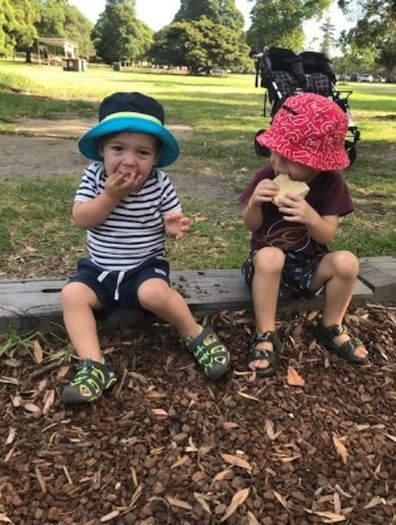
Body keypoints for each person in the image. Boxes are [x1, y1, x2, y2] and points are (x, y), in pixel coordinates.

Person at [61, 91, 230, 404]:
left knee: (153, 293)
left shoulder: (158, 182)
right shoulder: (94, 178)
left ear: (155, 157)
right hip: (100, 269)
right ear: (101, 151)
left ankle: (195, 334)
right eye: (118, 149)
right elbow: (82, 218)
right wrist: (110, 197)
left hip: (144, 266)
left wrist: (172, 225)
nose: (129, 160)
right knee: (72, 295)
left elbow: (171, 213)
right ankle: (93, 365)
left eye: (142, 152)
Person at [240, 92, 368, 376]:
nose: (277, 164)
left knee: (347, 262)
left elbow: (325, 236)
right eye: (275, 153)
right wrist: (254, 204)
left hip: (308, 269)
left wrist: (311, 217)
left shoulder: (332, 184)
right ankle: (265, 333)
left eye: (289, 159)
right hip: (265, 269)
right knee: (271, 256)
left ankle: (331, 325)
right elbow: (251, 225)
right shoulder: (265, 177)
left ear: (320, 162)